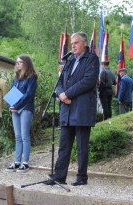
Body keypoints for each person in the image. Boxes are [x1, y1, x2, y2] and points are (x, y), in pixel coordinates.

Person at [45, 31, 99, 186]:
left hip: (82, 109)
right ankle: (59, 176)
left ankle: (82, 177)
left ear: (84, 43)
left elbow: (88, 81)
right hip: (67, 109)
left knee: (82, 146)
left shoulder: (92, 59)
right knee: (64, 146)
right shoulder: (69, 61)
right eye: (72, 44)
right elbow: (60, 80)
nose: (73, 46)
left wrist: (67, 94)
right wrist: (61, 93)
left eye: (76, 43)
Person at [6, 54, 38, 173]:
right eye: (17, 62)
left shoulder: (31, 78)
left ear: (26, 63)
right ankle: (17, 162)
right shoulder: (16, 78)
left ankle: (25, 163)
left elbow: (29, 95)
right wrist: (11, 106)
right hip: (15, 109)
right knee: (17, 137)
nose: (17, 64)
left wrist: (17, 105)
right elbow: (12, 93)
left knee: (24, 137)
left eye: (20, 62)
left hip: (25, 108)